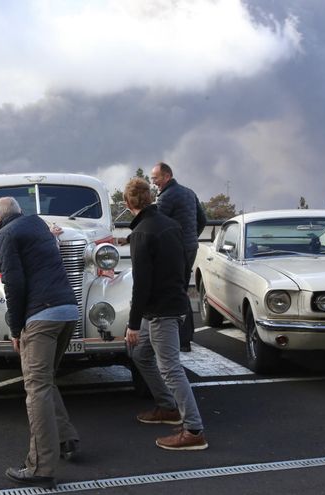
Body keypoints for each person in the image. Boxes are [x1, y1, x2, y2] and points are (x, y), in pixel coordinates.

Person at [0, 197, 80, 490]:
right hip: (69, 310)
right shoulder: (38, 226)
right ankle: (65, 438)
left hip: (41, 316)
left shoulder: (5, 235)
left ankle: (40, 467)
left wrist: (15, 328)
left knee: (36, 388)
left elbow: (13, 283)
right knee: (46, 381)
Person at [124, 178, 208, 451]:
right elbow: (185, 262)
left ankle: (193, 429)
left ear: (128, 204)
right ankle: (167, 406)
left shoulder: (141, 233)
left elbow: (141, 284)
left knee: (170, 368)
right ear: (150, 198)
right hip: (173, 303)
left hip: (160, 311)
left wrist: (133, 324)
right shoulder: (171, 225)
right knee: (140, 354)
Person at [150, 162, 206, 352]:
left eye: (155, 178)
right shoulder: (189, 192)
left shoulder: (166, 197)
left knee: (176, 291)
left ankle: (182, 339)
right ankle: (186, 338)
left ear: (167, 176)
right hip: (191, 247)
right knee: (181, 289)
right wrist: (191, 238)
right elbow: (203, 220)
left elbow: (155, 224)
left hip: (177, 250)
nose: (153, 182)